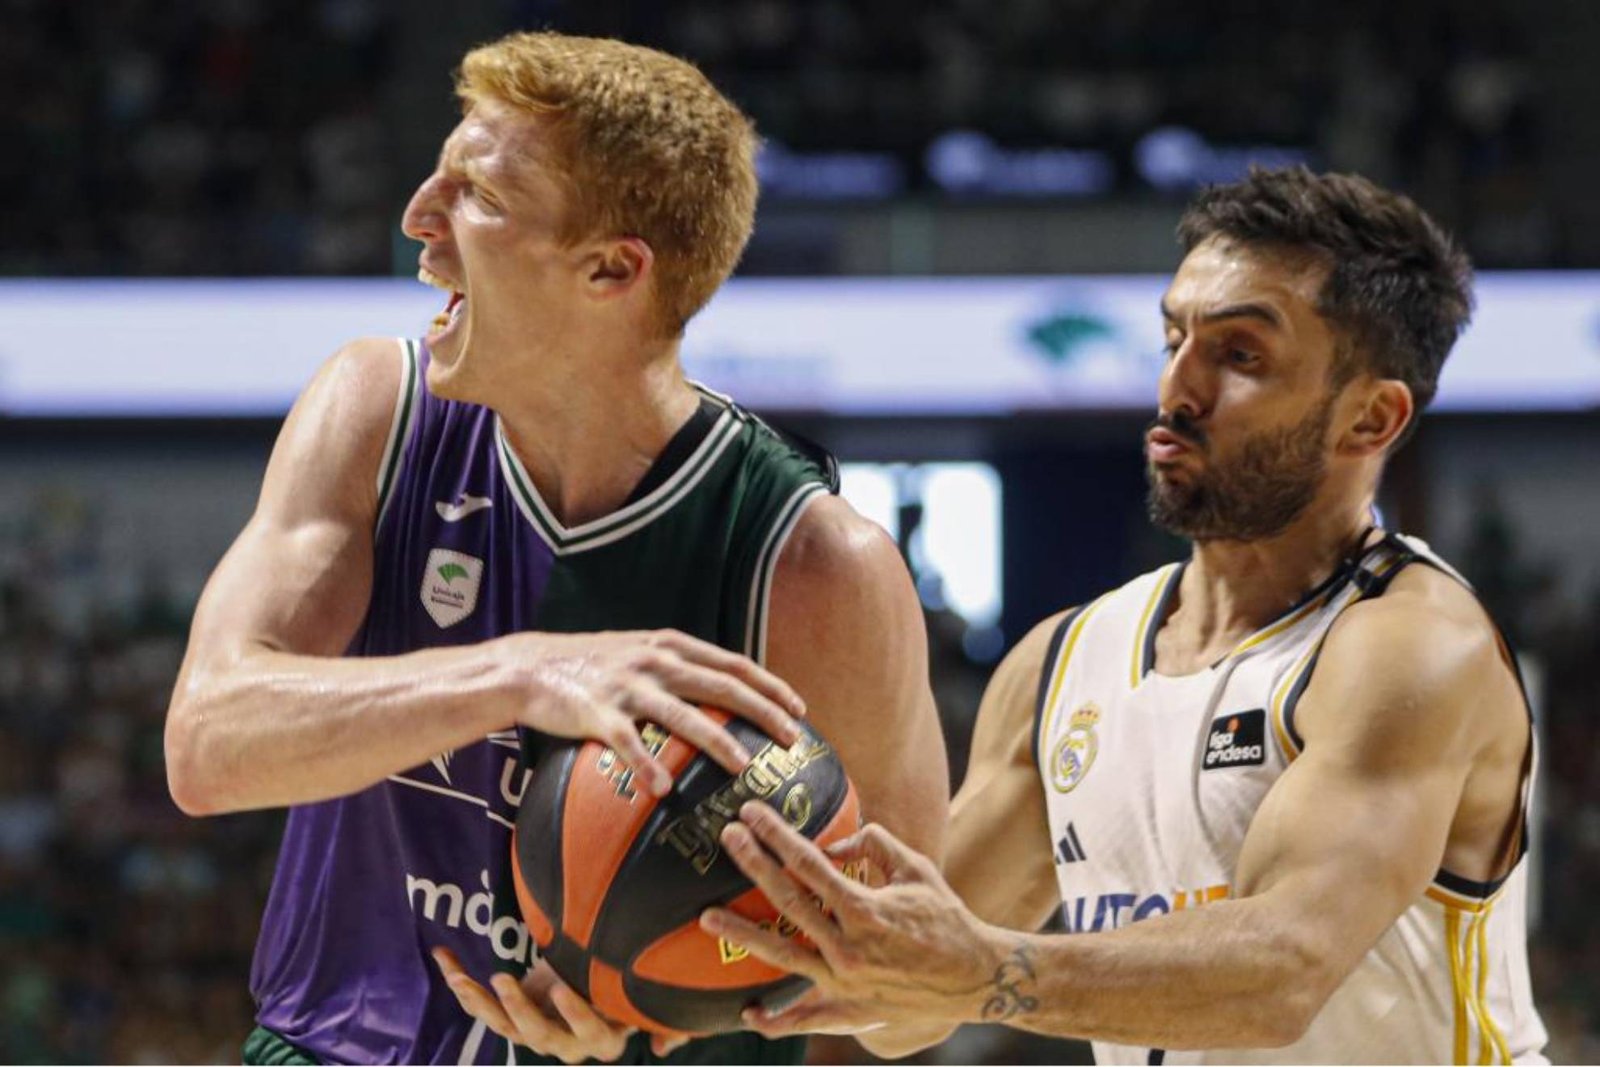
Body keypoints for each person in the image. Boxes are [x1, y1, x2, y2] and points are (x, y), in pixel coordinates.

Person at [163, 31, 947, 1067]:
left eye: (476, 197)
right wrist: (518, 672)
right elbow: (206, 742)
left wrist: (683, 993)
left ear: (611, 268)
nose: (417, 222)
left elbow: (921, 997)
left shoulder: (808, 560)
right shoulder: (375, 411)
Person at [702, 167, 1549, 1065]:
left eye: (1240, 355)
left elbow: (1282, 972)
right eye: (1174, 338)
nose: (1177, 389)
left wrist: (983, 970)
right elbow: (904, 994)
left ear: (1370, 419)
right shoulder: (1061, 662)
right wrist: (630, 985)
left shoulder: (1411, 646)